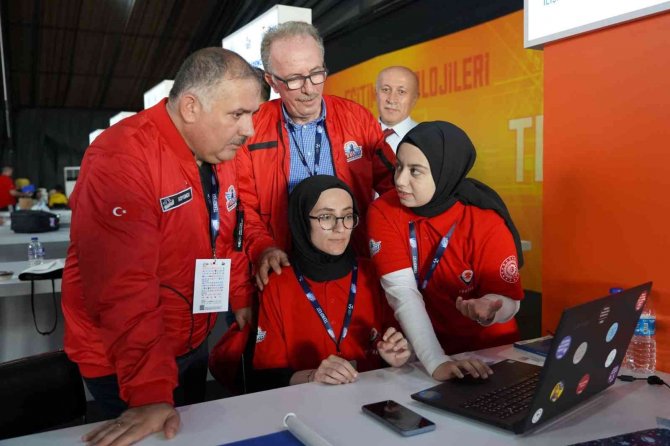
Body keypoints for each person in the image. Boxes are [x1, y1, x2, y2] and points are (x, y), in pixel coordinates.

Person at [61, 47, 261, 446]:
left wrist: (239, 295)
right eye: (238, 114)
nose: (249, 130)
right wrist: (150, 392)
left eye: (252, 114)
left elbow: (226, 234)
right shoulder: (121, 156)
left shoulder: (218, 151)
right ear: (190, 106)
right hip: (125, 364)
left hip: (191, 340)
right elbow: (123, 287)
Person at [236, 21, 396, 295]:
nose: (309, 89)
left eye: (316, 74)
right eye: (295, 79)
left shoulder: (357, 119)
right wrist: (264, 248)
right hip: (283, 271)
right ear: (271, 81)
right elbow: (242, 208)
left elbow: (393, 185)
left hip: (354, 266)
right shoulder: (250, 130)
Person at [367, 121, 525, 382]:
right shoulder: (384, 211)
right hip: (427, 350)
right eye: (398, 167)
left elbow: (510, 303)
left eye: (415, 171)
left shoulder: (485, 221)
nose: (400, 181)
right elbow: (402, 293)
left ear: (444, 172)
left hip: (490, 352)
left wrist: (491, 308)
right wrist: (435, 360)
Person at [253, 175, 410, 388]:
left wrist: (394, 357)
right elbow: (266, 377)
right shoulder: (278, 283)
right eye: (326, 217)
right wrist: (314, 376)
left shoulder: (372, 272)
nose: (340, 228)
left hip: (372, 398)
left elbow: (391, 349)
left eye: (347, 216)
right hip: (304, 408)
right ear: (301, 220)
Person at [376, 66, 419, 153]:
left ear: (414, 98)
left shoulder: (424, 138)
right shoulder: (358, 136)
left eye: (401, 92)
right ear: (376, 94)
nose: (391, 100)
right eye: (386, 89)